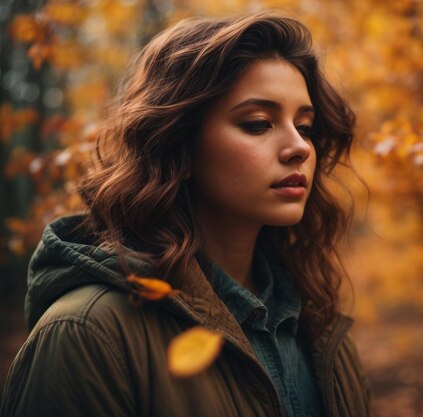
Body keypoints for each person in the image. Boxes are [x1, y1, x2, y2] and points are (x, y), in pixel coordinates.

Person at [0, 10, 371, 417]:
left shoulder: (319, 330)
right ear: (179, 145)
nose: (299, 146)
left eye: (305, 126)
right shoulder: (86, 335)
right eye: (258, 123)